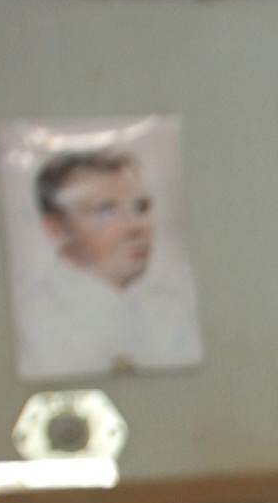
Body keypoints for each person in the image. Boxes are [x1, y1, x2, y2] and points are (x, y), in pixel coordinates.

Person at [14, 145, 203, 379]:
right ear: (56, 229)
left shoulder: (174, 311)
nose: (136, 226)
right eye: (106, 211)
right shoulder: (29, 326)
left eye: (140, 207)